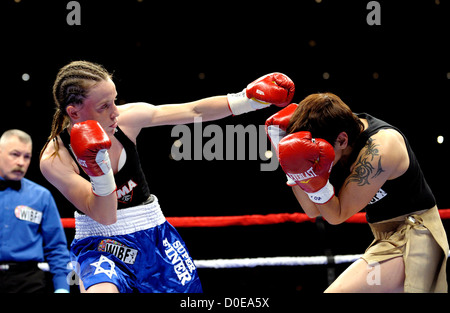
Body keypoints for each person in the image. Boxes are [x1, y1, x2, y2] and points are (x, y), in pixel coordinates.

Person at [39, 60, 295, 293]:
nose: (115, 111)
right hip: (101, 244)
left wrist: (246, 100)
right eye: (105, 106)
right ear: (74, 113)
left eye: (115, 101)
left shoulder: (127, 120)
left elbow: (193, 111)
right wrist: (99, 169)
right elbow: (106, 215)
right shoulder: (55, 159)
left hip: (154, 235)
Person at [266, 92, 448, 293]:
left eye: (316, 155)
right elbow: (312, 210)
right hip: (385, 236)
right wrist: (292, 165)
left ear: (343, 140)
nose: (315, 159)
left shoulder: (380, 150)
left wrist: (311, 178)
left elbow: (336, 215)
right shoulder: (329, 137)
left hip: (416, 236)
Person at [0, 129, 70, 293]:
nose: (21, 162)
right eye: (15, 154)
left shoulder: (41, 197)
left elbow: (57, 248)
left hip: (28, 281)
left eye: (26, 156)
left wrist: (62, 288)